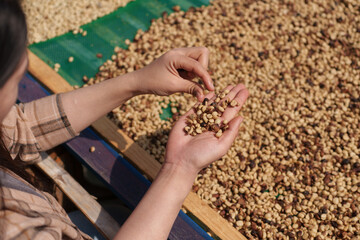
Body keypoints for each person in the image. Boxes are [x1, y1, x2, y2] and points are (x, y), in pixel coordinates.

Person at [0, 0, 249, 239]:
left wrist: (136, 82)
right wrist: (180, 168)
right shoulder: (12, 228)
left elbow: (18, 128)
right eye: (16, 78)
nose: (25, 67)